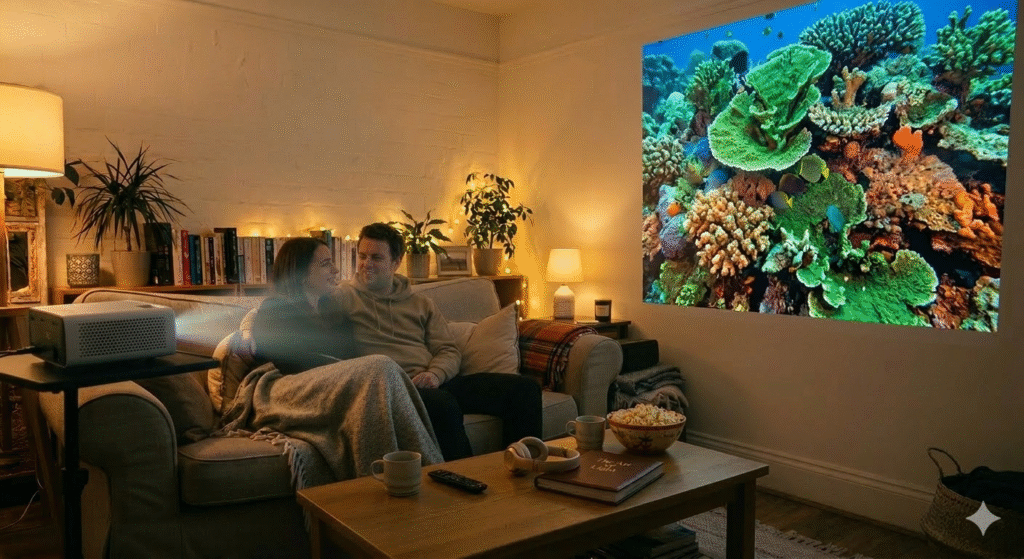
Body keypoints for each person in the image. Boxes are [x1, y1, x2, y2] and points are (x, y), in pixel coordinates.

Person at [223, 236, 443, 481]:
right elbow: (287, 359)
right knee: (379, 365)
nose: (336, 270)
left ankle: (421, 475)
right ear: (301, 272)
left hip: (334, 384)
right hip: (287, 387)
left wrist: (348, 373)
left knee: (382, 371)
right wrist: (244, 332)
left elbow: (349, 357)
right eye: (326, 264)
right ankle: (414, 476)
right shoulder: (276, 308)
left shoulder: (334, 309)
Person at [328, 222, 543, 461]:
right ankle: (467, 479)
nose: (366, 264)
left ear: (396, 262)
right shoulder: (344, 298)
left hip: (434, 382)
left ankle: (523, 467)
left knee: (524, 388)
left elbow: (448, 350)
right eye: (362, 256)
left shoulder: (419, 303)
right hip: (396, 389)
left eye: (376, 257)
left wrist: (435, 375)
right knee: (443, 405)